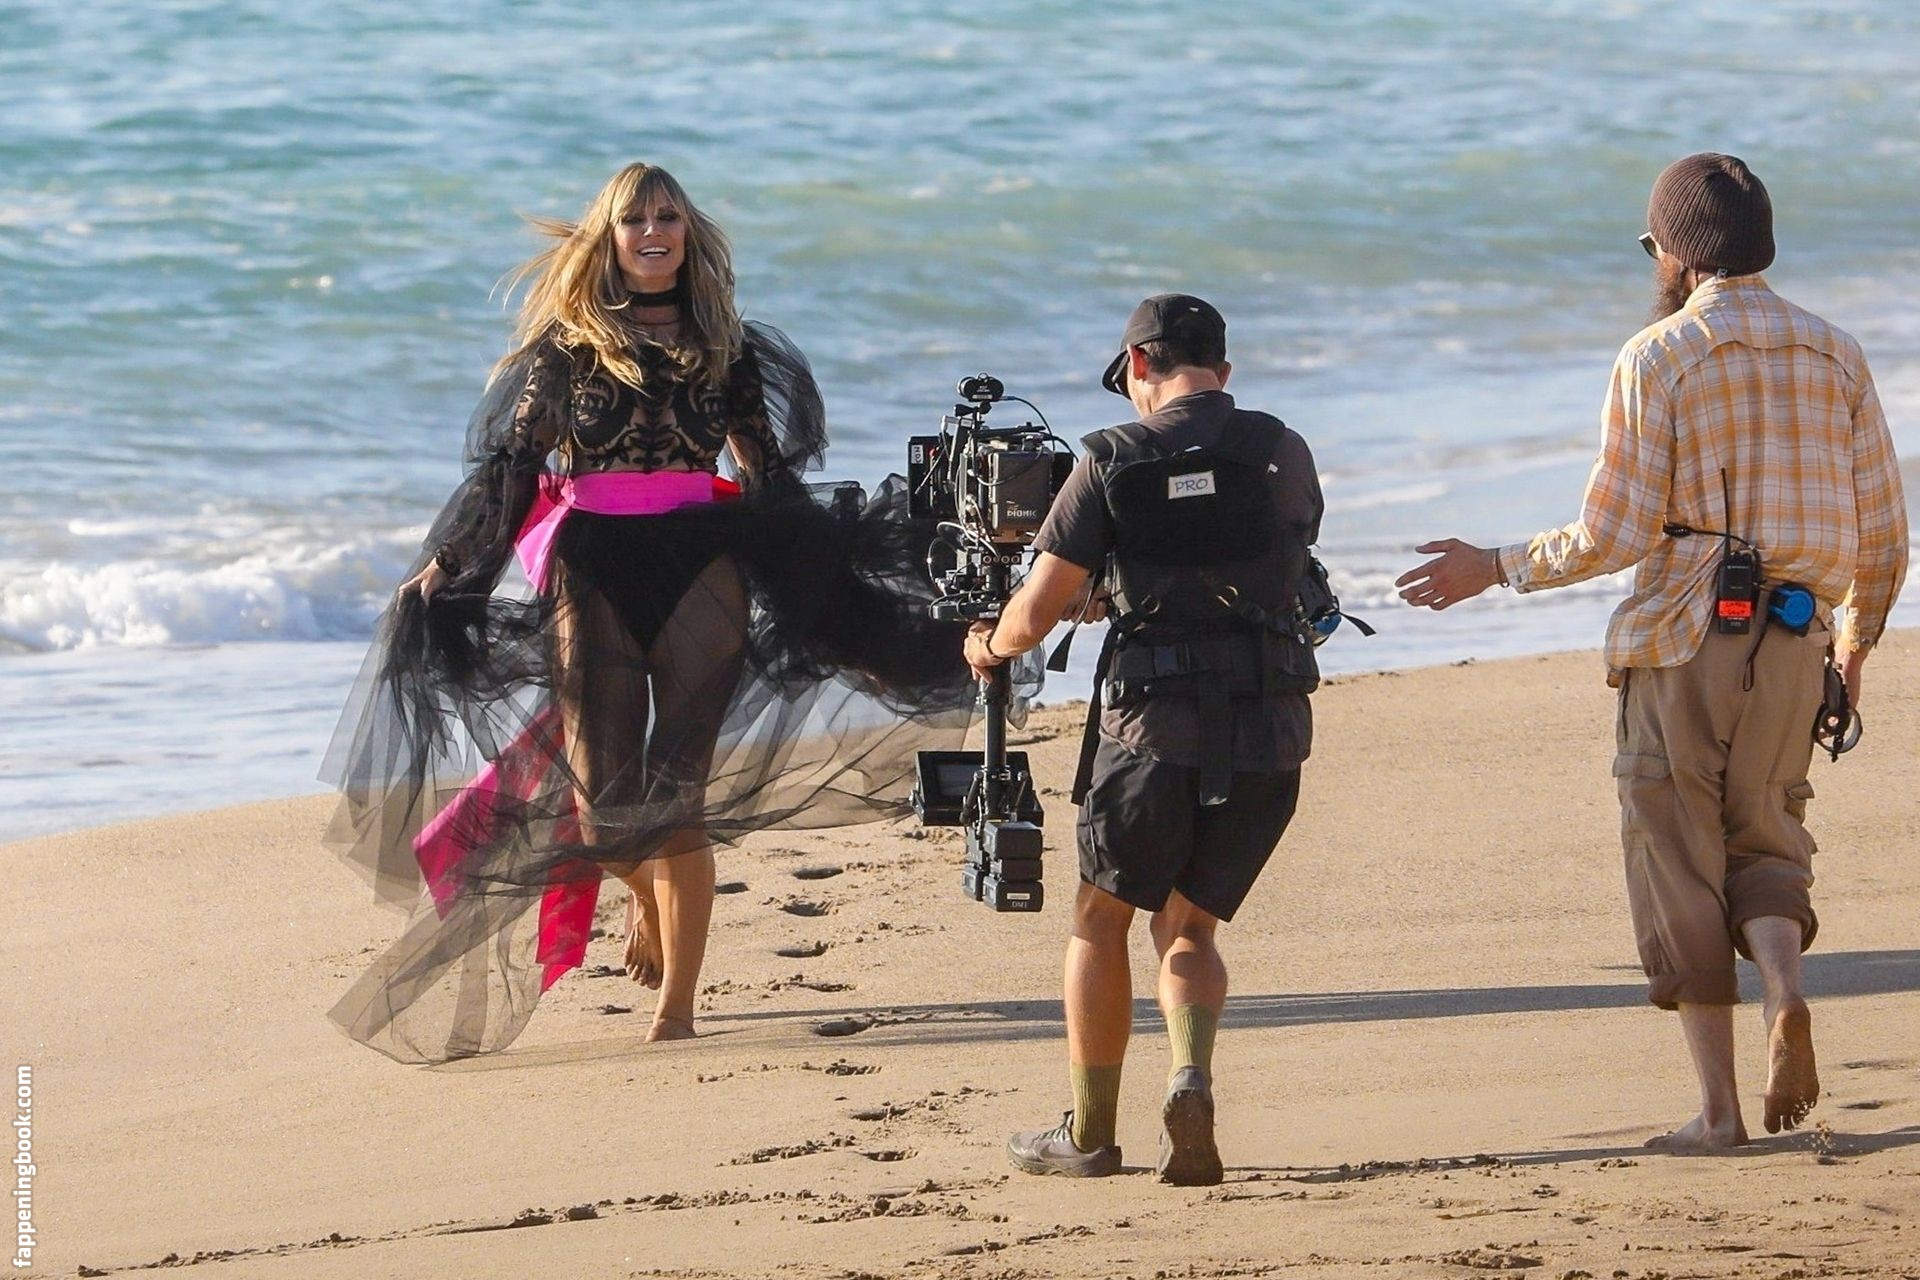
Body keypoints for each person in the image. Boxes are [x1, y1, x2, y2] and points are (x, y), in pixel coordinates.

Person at [323, 163, 975, 1062]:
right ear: (610, 237)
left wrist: (835, 589)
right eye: (636, 219)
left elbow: (766, 474)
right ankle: (641, 890)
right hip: (592, 565)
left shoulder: (725, 346)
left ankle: (677, 1008)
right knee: (604, 821)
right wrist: (450, 562)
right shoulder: (567, 348)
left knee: (679, 797)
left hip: (702, 562)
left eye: (668, 216)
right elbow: (511, 470)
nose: (654, 231)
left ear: (688, 233)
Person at [1396, 153, 1907, 1150]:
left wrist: (1495, 565)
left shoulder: (1660, 355)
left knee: (1678, 862)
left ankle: (1719, 1113)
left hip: (1683, 644)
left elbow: (1614, 533)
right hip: (1797, 638)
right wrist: (1851, 656)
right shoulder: (1838, 353)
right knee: (1769, 837)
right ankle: (1786, 991)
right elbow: (1884, 536)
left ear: (1675, 253)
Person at [965, 294, 1325, 1185]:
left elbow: (1035, 614)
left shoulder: (1109, 458)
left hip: (1152, 731)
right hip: (1270, 726)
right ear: (1223, 371)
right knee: (1189, 926)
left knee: (1101, 920)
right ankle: (1190, 1075)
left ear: (1136, 367)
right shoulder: (1282, 449)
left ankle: (1090, 1132)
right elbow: (1267, 569)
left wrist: (989, 646)